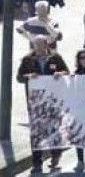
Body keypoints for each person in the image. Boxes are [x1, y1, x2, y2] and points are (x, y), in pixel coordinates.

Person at [17, 35, 67, 174]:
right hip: (35, 103)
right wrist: (28, 76)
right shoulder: (28, 59)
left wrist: (60, 73)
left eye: (40, 45)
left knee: (53, 130)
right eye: (35, 45)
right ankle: (37, 162)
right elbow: (19, 77)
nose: (37, 48)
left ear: (46, 45)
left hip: (53, 101)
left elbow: (67, 72)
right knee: (36, 133)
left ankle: (56, 154)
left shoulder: (55, 57)